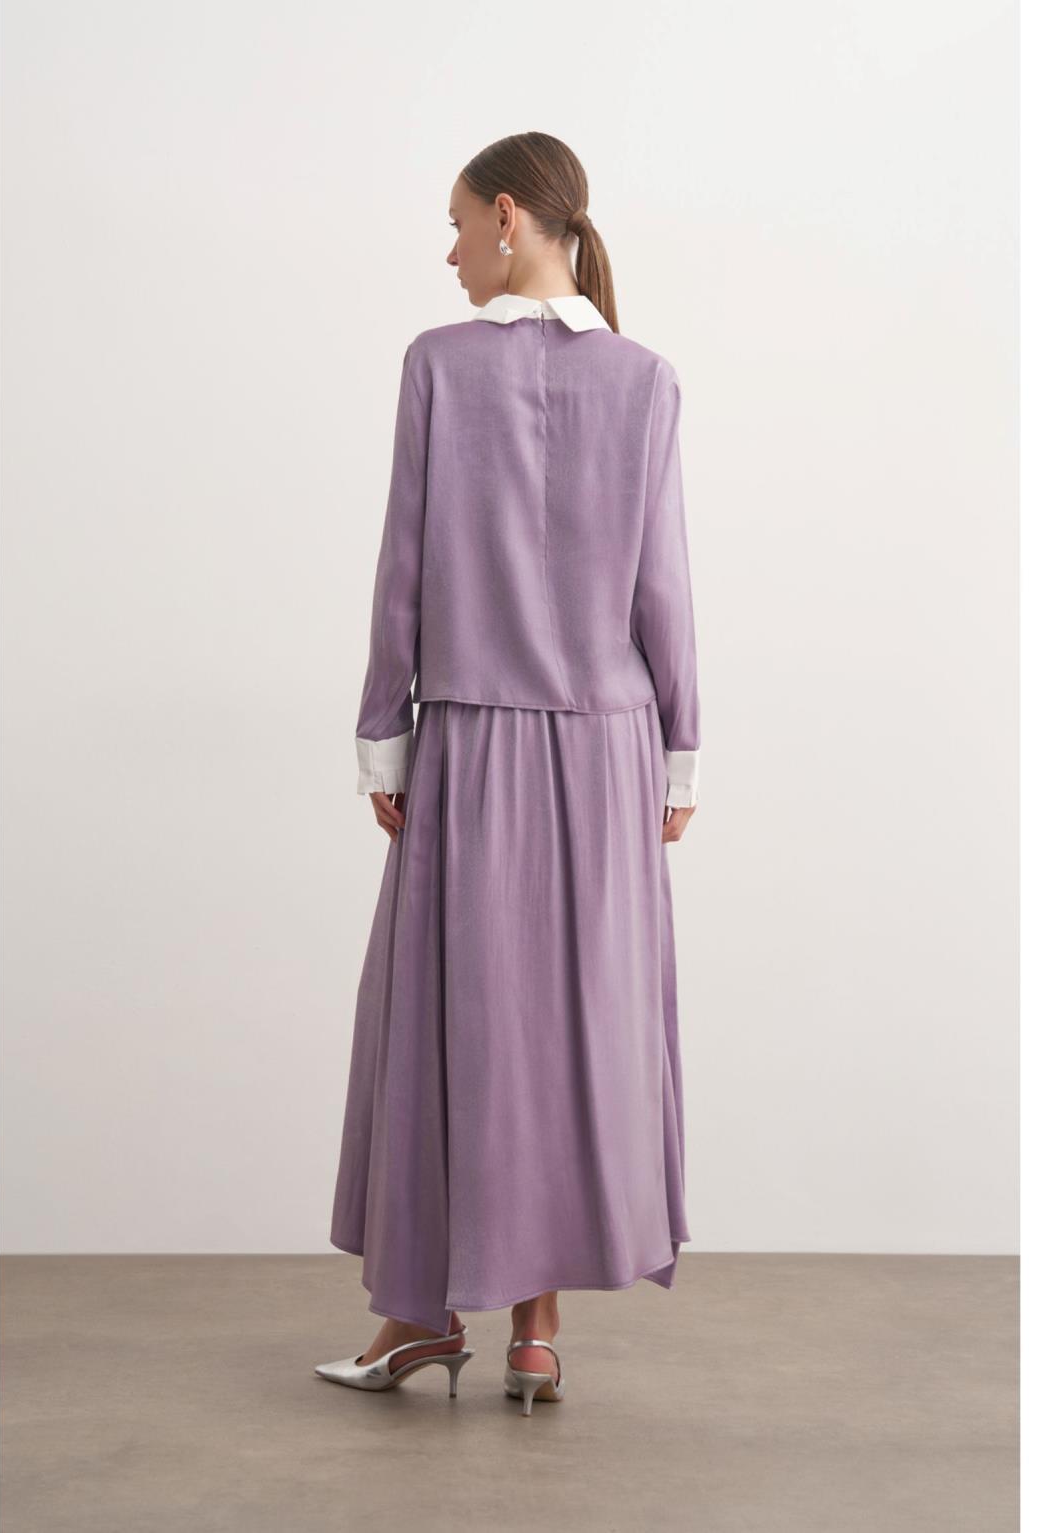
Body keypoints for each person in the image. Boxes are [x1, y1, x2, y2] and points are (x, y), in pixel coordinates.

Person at [315, 131, 699, 1415]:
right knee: (572, 1029)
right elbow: (664, 586)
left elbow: (404, 570)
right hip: (607, 745)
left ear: (507, 216)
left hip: (475, 741)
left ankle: (421, 1317)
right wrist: (679, 759)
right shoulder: (645, 379)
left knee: (451, 1024)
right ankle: (534, 1333)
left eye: (456, 223)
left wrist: (385, 731)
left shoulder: (439, 364)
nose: (449, 251)